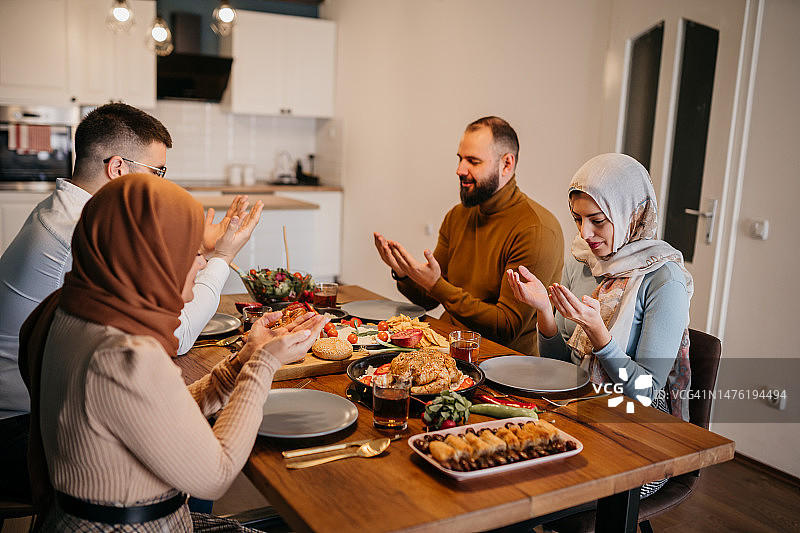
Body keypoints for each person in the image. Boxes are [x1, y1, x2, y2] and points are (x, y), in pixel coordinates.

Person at [18, 173, 329, 531]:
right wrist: (264, 363)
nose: (201, 265)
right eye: (193, 252)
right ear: (152, 258)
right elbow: (217, 474)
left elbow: (156, 413)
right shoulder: (125, 354)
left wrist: (241, 360)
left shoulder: (70, 310)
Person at [0, 103, 262, 501]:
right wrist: (220, 258)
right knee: (191, 445)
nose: (162, 184)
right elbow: (177, 334)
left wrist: (196, 248)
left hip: (49, 404)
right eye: (158, 172)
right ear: (119, 168)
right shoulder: (79, 235)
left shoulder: (66, 215)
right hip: (26, 429)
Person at [506, 153, 693, 497]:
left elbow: (646, 394)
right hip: (579, 410)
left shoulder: (664, 280)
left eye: (597, 220)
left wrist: (599, 335)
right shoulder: (583, 261)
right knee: (503, 462)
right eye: (577, 219)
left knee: (527, 481)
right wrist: (545, 312)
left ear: (630, 215)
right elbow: (564, 371)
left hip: (639, 438)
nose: (585, 233)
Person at [374, 116, 564, 355]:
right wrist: (404, 273)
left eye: (473, 161)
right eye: (460, 159)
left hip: (500, 364)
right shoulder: (457, 215)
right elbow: (430, 299)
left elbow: (506, 327)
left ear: (506, 164)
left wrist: (437, 285)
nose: (460, 170)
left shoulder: (536, 229)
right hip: (446, 350)